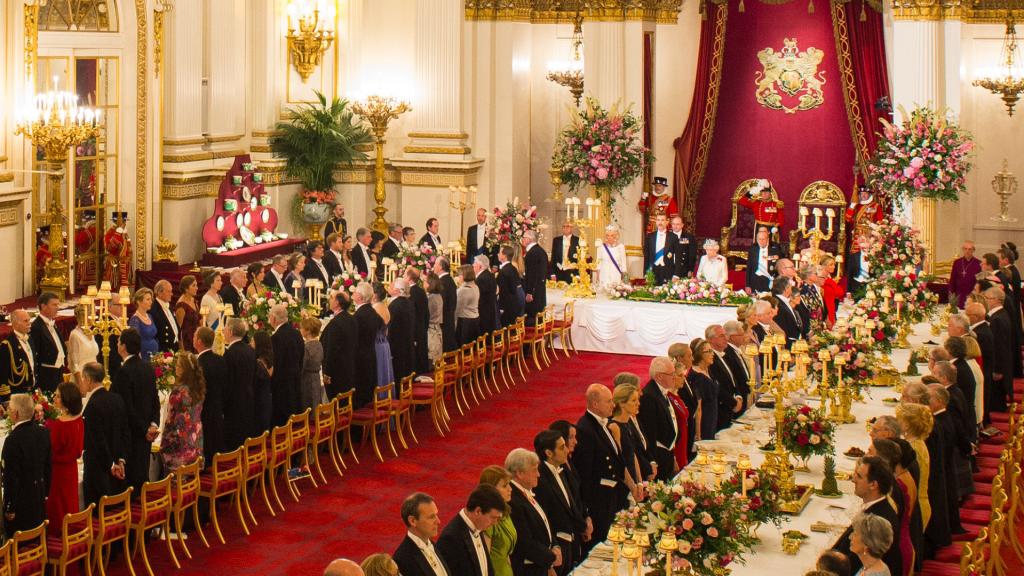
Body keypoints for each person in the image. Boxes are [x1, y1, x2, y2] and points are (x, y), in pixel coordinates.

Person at [572, 384, 626, 547]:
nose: (613, 405)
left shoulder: (603, 423)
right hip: (598, 501)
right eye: (609, 401)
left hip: (610, 495)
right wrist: (587, 510)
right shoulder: (585, 430)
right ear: (595, 404)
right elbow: (585, 473)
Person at [834, 456, 902, 576]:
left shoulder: (879, 520)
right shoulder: (876, 507)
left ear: (873, 485)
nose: (853, 480)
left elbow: (851, 565)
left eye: (859, 476)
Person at [111, 328, 159, 493]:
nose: (117, 345)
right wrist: (153, 424)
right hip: (146, 430)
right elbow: (155, 400)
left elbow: (126, 408)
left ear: (123, 347)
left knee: (133, 479)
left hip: (133, 434)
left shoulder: (124, 372)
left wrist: (144, 429)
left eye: (118, 342)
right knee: (142, 472)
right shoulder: (147, 367)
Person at [533, 430, 586, 575]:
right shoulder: (540, 480)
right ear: (549, 453)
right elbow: (543, 517)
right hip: (556, 547)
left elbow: (570, 502)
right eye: (562, 447)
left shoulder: (559, 470)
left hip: (569, 540)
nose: (567, 450)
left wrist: (582, 524)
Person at [2, 393, 52, 537]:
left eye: (9, 409)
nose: (8, 411)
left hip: (21, 505)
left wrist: (10, 507)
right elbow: (48, 468)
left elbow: (12, 477)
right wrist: (45, 493)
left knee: (19, 543)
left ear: (16, 413)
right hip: (38, 497)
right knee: (37, 537)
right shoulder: (43, 433)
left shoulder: (13, 440)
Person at [506, 448, 560, 576]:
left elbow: (543, 523)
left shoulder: (525, 492)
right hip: (528, 570)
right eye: (534, 470)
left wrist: (555, 546)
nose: (538, 474)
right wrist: (551, 558)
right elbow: (524, 541)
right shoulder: (513, 500)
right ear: (519, 473)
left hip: (540, 564)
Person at [80, 362, 128, 507]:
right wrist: (120, 460)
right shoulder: (117, 399)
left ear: (88, 379)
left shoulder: (93, 405)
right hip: (117, 464)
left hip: (99, 470)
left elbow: (97, 440)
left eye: (83, 378)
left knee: (98, 513)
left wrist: (111, 465)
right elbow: (124, 433)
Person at [436, 484, 504, 576]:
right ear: (478, 511)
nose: (495, 523)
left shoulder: (478, 526)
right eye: (493, 518)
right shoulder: (450, 538)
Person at [44, 382, 84, 531]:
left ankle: (60, 537)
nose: (54, 398)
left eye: (58, 396)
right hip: (71, 469)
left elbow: (52, 450)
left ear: (67, 400)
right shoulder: (79, 419)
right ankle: (71, 533)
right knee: (70, 502)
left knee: (58, 506)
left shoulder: (60, 424)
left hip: (59, 471)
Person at [160, 352, 205, 472]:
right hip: (195, 438)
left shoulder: (179, 392)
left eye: (179, 366)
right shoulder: (198, 389)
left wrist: (163, 441)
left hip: (180, 442)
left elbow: (170, 420)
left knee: (176, 479)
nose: (176, 368)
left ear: (185, 370)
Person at [636, 357, 678, 481]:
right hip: (659, 457)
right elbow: (650, 433)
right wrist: (653, 462)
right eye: (671, 374)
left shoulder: (662, 392)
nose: (674, 377)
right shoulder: (649, 397)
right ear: (659, 376)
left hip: (667, 453)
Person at [610, 383, 652, 497]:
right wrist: (632, 485)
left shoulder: (628, 423)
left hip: (633, 480)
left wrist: (639, 482)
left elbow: (633, 455)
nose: (638, 403)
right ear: (622, 403)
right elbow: (620, 461)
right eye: (634, 400)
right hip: (624, 484)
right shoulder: (614, 427)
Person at [393, 492, 451, 576]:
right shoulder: (403, 559)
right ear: (412, 521)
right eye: (431, 517)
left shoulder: (432, 544)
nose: (438, 521)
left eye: (436, 515)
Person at [195, 327, 226, 465]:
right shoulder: (220, 360)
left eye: (195, 337)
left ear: (199, 342)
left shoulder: (197, 364)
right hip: (218, 408)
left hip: (202, 411)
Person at [223, 318, 256, 449]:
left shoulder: (229, 354)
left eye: (225, 328)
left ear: (230, 332)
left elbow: (227, 382)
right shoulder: (250, 350)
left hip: (233, 403)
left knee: (234, 442)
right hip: (248, 398)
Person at [479, 465, 517, 576]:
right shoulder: (488, 520)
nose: (510, 489)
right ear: (491, 489)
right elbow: (484, 559)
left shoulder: (505, 512)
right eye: (505, 486)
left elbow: (506, 553)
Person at [269, 303, 304, 424]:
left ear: (273, 318)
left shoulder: (276, 338)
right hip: (295, 381)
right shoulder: (297, 333)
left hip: (282, 387)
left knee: (283, 423)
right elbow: (301, 357)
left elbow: (275, 364)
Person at [322, 290, 358, 399]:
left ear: (337, 302)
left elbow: (331, 349)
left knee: (337, 401)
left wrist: (327, 373)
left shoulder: (335, 323)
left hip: (337, 371)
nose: (329, 299)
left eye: (332, 297)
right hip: (349, 366)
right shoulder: (352, 319)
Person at [706, 325, 743, 431]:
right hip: (721, 411)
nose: (726, 338)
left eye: (725, 335)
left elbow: (733, 380)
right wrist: (733, 403)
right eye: (722, 336)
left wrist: (738, 397)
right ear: (711, 339)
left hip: (731, 408)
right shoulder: (711, 360)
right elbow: (718, 386)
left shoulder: (724, 356)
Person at [30, 291, 68, 393]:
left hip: (58, 371)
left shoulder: (52, 324)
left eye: (58, 304)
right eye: (54, 305)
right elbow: (35, 355)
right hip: (46, 375)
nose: (57, 307)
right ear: (43, 306)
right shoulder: (36, 327)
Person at [983, 286, 1013, 412]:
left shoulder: (997, 320)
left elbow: (999, 346)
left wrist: (997, 369)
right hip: (1001, 363)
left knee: (996, 393)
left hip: (998, 365)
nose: (985, 301)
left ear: (996, 300)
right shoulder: (1001, 314)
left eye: (987, 298)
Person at [353, 283, 382, 408]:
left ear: (359, 297)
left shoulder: (359, 316)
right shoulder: (372, 312)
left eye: (355, 292)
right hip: (370, 353)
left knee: (360, 394)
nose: (352, 294)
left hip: (360, 358)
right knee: (368, 392)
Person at [0, 309, 35, 402]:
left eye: (29, 320)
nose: (29, 323)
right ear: (15, 324)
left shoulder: (30, 339)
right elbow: (3, 375)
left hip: (32, 390)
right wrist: (6, 400)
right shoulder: (7, 345)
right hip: (17, 394)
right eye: (25, 321)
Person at [688, 338, 717, 440]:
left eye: (712, 350)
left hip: (712, 419)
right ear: (699, 354)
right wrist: (698, 434)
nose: (712, 354)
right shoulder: (697, 377)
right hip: (704, 423)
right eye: (708, 351)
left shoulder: (708, 371)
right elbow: (698, 408)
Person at [388, 278, 416, 383]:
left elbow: (390, 328)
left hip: (396, 346)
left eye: (391, 286)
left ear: (398, 291)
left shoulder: (394, 306)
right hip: (408, 344)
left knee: (398, 375)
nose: (389, 288)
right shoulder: (409, 303)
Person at [722, 320, 753, 410]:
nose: (744, 337)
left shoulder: (736, 350)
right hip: (738, 398)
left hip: (744, 394)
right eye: (741, 334)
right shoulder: (727, 352)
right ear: (732, 337)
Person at [406, 268, 432, 374]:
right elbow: (426, 312)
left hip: (415, 328)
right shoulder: (421, 291)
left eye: (404, 275)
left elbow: (411, 314)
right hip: (422, 326)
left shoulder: (410, 293)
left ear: (408, 278)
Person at [68, 304, 100, 387]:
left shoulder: (91, 332)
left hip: (94, 376)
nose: (95, 317)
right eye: (92, 315)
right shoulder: (75, 335)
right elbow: (74, 364)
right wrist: (81, 384)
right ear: (84, 317)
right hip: (82, 378)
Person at [298, 317, 325, 413]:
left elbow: (302, 365)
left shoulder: (307, 347)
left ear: (308, 331)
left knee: (308, 403)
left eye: (302, 328)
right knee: (316, 400)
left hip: (307, 378)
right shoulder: (319, 344)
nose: (300, 330)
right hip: (316, 377)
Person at [643, 214, 678, 285]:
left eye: (662, 220)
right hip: (653, 270)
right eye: (658, 220)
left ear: (667, 222)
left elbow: (678, 257)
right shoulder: (650, 237)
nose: (660, 222)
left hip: (667, 270)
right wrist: (645, 273)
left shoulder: (673, 237)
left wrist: (676, 274)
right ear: (655, 222)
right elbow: (647, 257)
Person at [522, 231, 549, 324]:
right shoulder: (541, 251)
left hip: (533, 292)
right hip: (540, 288)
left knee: (532, 317)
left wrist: (529, 292)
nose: (522, 239)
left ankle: (533, 337)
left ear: (529, 239)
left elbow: (531, 274)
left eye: (524, 237)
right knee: (539, 316)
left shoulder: (532, 253)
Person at [372, 283, 395, 387]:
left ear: (374, 295)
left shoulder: (375, 309)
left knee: (379, 372)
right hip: (385, 343)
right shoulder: (385, 306)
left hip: (377, 343)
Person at [771, 275, 803, 347]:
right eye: (790, 286)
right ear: (786, 288)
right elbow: (782, 327)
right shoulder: (778, 304)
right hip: (787, 345)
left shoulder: (784, 301)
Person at [252, 331, 274, 434]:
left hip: (260, 399)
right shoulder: (270, 357)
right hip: (267, 396)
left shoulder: (260, 362)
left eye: (253, 341)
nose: (251, 343)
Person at [745, 226, 779, 294]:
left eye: (763, 239)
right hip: (756, 280)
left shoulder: (775, 250)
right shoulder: (753, 250)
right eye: (759, 239)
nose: (761, 241)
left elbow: (778, 267)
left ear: (767, 239)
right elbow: (749, 268)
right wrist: (747, 285)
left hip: (769, 280)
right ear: (757, 239)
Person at [496, 246, 524, 327]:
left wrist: (501, 308)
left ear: (504, 256)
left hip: (507, 307)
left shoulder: (504, 272)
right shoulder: (512, 268)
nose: (497, 254)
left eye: (499, 253)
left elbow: (503, 292)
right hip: (514, 303)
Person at [949, 241, 982, 308]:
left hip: (971, 296)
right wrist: (951, 295)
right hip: (958, 296)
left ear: (973, 250)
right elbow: (952, 280)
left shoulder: (978, 264)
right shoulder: (957, 262)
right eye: (965, 249)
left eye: (970, 249)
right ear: (962, 249)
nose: (967, 251)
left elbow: (979, 282)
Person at [151, 280, 181, 352]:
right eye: (168, 291)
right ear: (159, 292)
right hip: (163, 349)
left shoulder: (168, 306)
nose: (172, 294)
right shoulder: (153, 309)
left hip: (174, 346)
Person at [175, 275, 202, 353]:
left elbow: (199, 319)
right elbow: (178, 329)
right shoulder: (181, 305)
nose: (197, 288)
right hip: (187, 341)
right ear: (186, 288)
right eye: (194, 285)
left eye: (196, 285)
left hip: (196, 339)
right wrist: (182, 349)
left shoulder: (194, 300)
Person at [456, 264, 481, 346]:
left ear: (463, 276)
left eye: (459, 275)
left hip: (465, 323)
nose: (458, 277)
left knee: (465, 350)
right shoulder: (475, 286)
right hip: (475, 320)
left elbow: (457, 310)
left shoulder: (463, 290)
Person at [473, 255, 498, 336]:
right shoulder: (490, 275)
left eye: (474, 263)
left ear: (480, 266)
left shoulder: (481, 279)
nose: (473, 265)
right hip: (490, 312)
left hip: (483, 315)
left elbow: (478, 298)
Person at [820, 256, 846, 326]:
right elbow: (839, 292)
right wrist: (828, 316)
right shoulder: (822, 280)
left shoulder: (828, 279)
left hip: (831, 311)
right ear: (823, 266)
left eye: (834, 264)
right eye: (831, 265)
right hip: (826, 313)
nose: (834, 267)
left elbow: (840, 292)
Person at [425, 274, 445, 364]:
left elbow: (427, 315)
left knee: (432, 359)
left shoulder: (431, 298)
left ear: (430, 284)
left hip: (431, 331)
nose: (423, 283)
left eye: (425, 281)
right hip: (436, 329)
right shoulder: (438, 296)